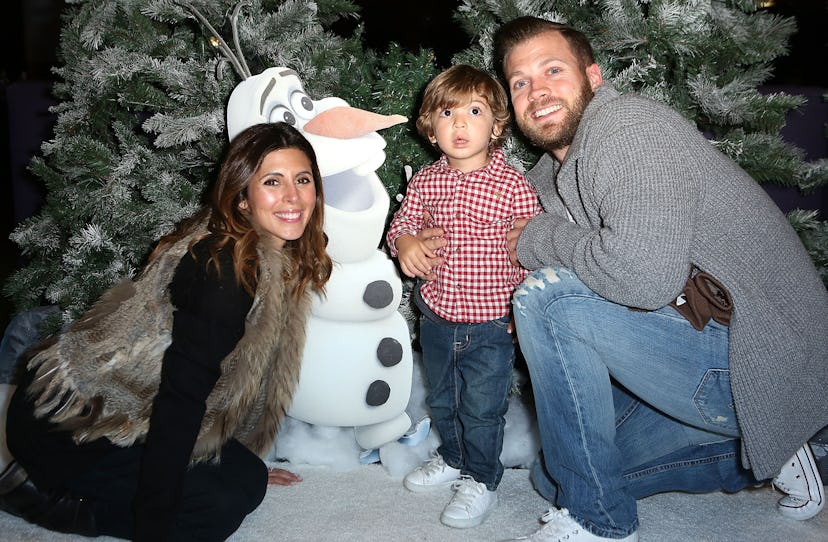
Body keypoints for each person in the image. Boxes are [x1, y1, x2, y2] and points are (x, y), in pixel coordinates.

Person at [486, 16, 828, 542]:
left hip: (757, 354)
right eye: (521, 82)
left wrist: (539, 250)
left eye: (553, 70)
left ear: (593, 78)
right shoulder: (548, 177)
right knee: (554, 476)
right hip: (691, 350)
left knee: (548, 300)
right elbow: (516, 242)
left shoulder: (629, 128)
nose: (538, 91)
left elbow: (642, 279)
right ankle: (781, 444)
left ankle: (598, 522)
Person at [0, 121, 333, 541]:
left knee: (249, 478)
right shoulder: (226, 276)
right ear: (243, 198)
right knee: (217, 509)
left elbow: (239, 371)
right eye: (272, 182)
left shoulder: (259, 246)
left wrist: (237, 460)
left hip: (119, 405)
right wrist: (155, 528)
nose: (293, 197)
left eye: (302, 180)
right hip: (70, 423)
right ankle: (40, 498)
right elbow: (180, 403)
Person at [386, 64, 541, 529]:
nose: (458, 123)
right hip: (436, 315)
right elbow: (403, 225)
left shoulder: (513, 185)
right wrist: (406, 243)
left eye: (473, 111)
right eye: (447, 112)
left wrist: (528, 304)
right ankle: (453, 458)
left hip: (492, 322)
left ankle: (482, 477)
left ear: (495, 127)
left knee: (481, 407)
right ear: (430, 128)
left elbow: (533, 248)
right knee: (443, 399)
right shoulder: (427, 181)